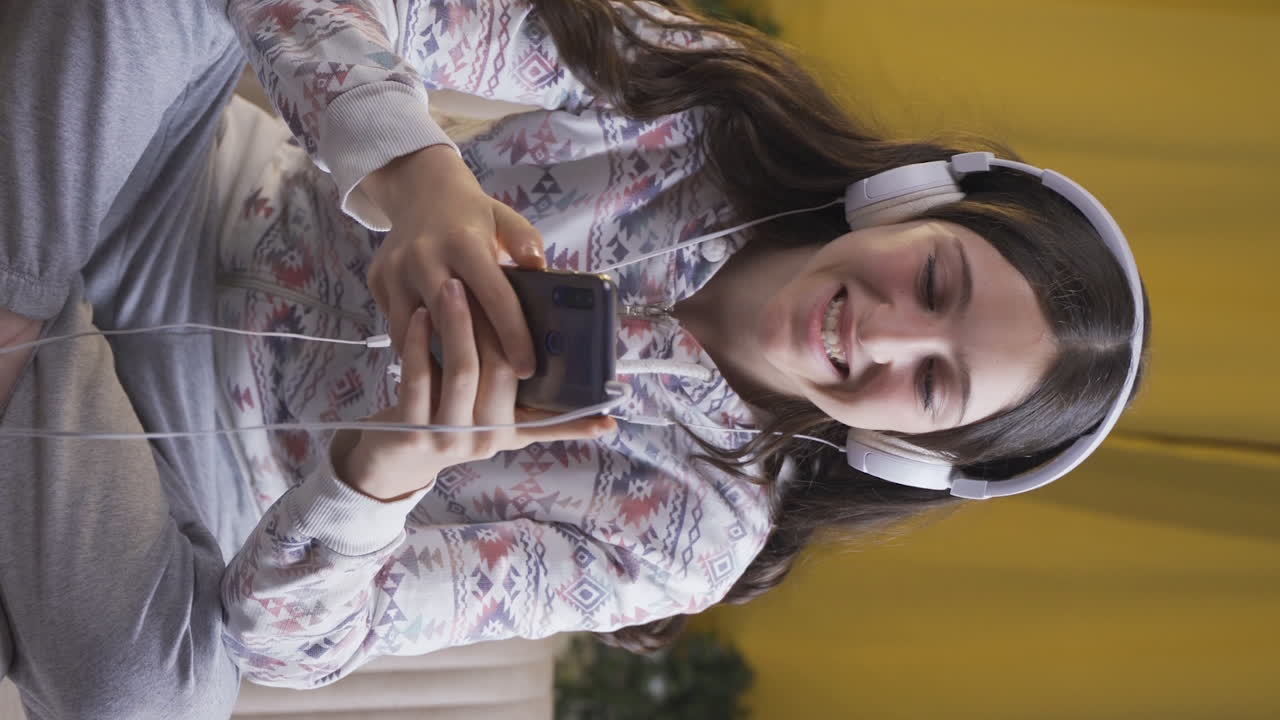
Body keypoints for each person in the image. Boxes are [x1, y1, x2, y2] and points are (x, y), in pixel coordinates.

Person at [0, 1, 1149, 716]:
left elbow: (291, 643)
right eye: (936, 279)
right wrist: (414, 172)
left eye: (932, 382)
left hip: (170, 473)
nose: (884, 333)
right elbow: (357, 7)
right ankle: (23, 326)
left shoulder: (689, 535)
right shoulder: (694, 102)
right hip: (183, 193)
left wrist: (380, 475)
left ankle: (25, 306)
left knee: (144, 700)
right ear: (909, 199)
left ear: (908, 454)